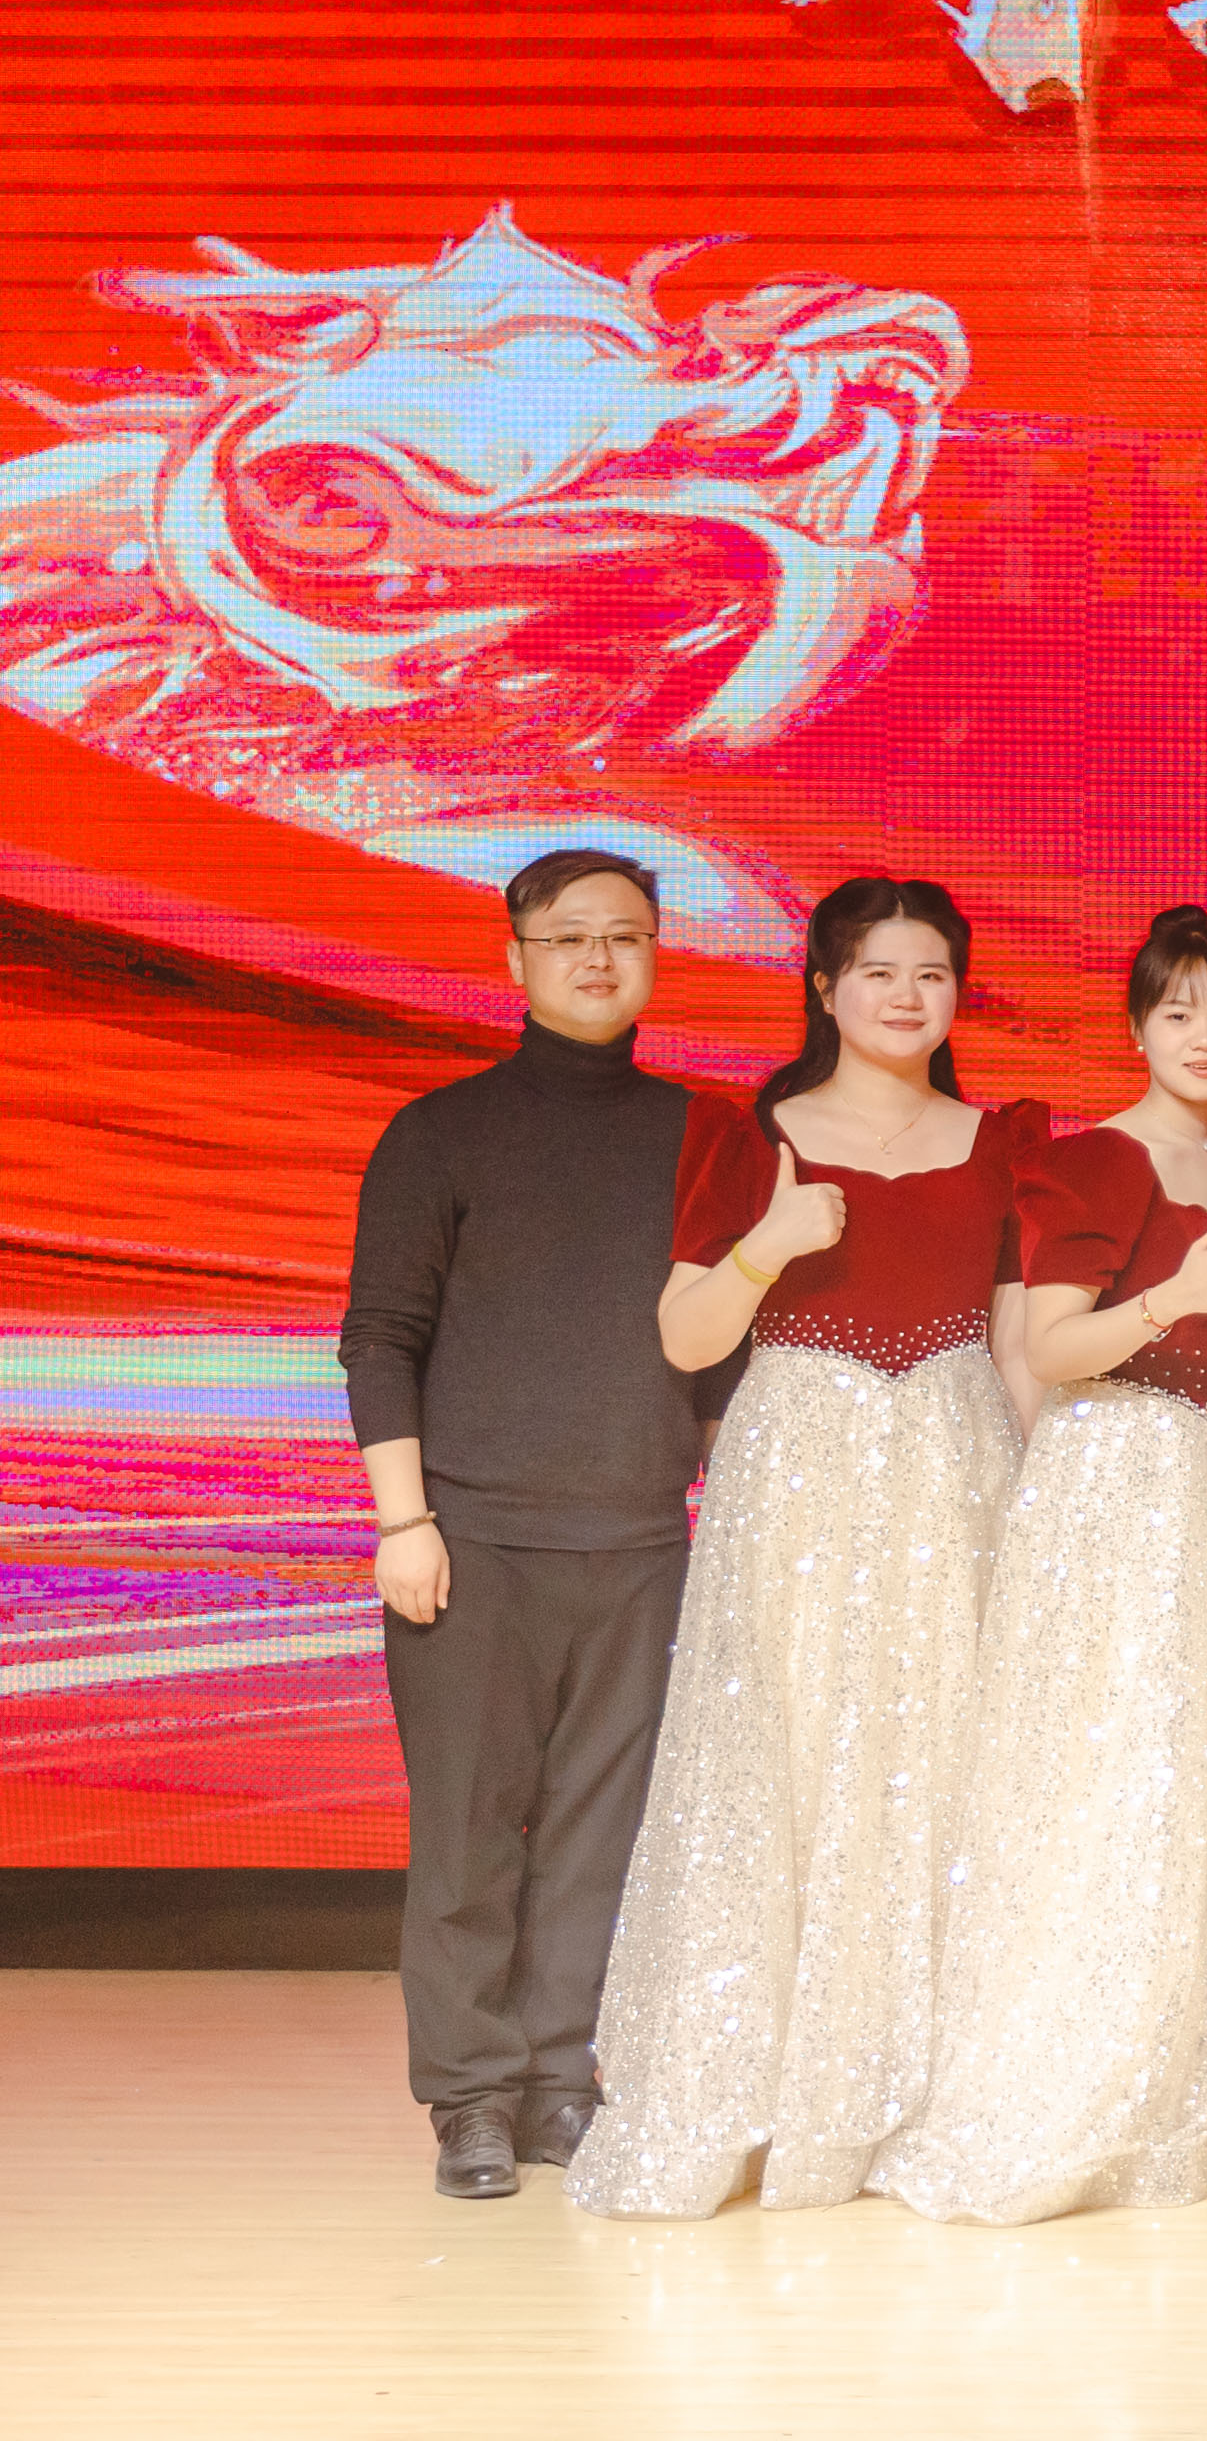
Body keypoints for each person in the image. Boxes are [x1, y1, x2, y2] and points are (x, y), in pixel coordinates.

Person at [574, 876, 1040, 2216]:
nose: (907, 995)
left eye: (932, 972)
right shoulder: (748, 1135)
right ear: (825, 989)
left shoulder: (1006, 1138)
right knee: (782, 1749)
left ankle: (919, 2084)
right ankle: (766, 2081)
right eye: (878, 970)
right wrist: (769, 1245)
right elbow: (686, 1333)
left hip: (952, 1461)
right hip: (800, 1470)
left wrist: (1039, 1498)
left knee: (940, 1752)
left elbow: (1016, 1341)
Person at [874, 907, 1207, 2224]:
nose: (1204, 1035)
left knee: (1199, 1771)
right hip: (1116, 1478)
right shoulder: (1095, 1159)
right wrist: (1170, 1301)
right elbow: (1049, 1348)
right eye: (1179, 1010)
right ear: (1138, 1026)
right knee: (1109, 1769)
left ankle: (1188, 2058)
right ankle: (1082, 2059)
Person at [340, 847, 717, 2200]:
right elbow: (381, 1336)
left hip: (640, 1538)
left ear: (656, 953)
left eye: (626, 935)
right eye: (569, 937)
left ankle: (564, 2081)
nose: (599, 959)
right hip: (474, 1539)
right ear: (514, 958)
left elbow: (725, 1349)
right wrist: (405, 1519)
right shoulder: (440, 1131)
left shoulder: (705, 1134)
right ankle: (471, 2097)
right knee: (465, 1831)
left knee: (599, 1834)